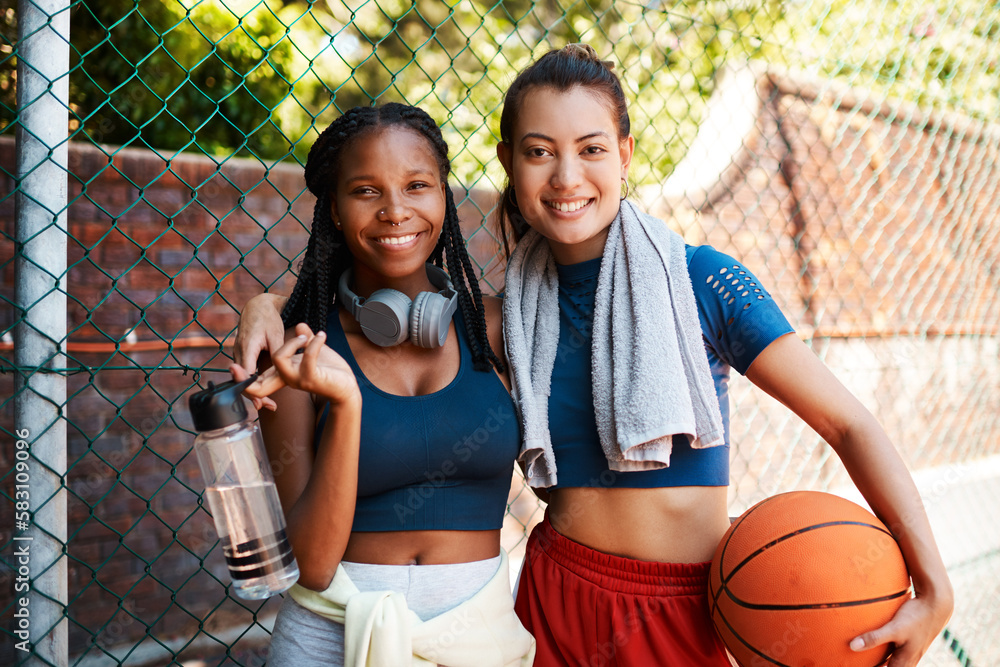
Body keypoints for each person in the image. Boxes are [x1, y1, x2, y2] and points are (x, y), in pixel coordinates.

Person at [235, 48, 953, 667]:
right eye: (539, 150)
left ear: (627, 154)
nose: (566, 175)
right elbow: (368, 301)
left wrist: (933, 584)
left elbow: (849, 425)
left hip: (682, 603)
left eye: (591, 148)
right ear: (509, 164)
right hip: (555, 597)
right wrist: (267, 305)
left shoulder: (702, 282)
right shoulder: (509, 312)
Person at [230, 102, 534, 667]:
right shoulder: (302, 347)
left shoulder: (497, 328)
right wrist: (345, 404)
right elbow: (314, 565)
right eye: (366, 191)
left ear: (444, 195)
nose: (396, 210)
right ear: (336, 211)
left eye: (417, 185)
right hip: (327, 638)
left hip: (475, 637)